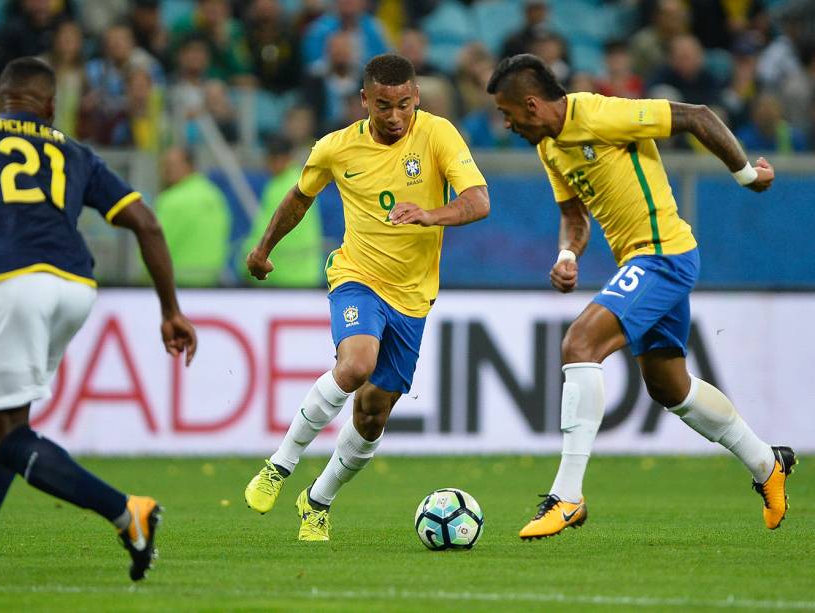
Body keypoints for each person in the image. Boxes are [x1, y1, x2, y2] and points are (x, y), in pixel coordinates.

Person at [486, 54, 794, 540]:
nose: (504, 123)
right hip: (643, 262)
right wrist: (568, 253)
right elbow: (573, 214)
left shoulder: (601, 114)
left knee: (579, 345)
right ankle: (766, 463)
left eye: (507, 113)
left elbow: (698, 117)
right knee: (670, 386)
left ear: (531, 104)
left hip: (663, 255)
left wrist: (747, 176)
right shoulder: (549, 147)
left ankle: (567, 497)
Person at [0, 57, 197, 579]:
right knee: (9, 421)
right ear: (49, 109)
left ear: (0, 101)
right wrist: (171, 311)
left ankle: (125, 510)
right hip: (75, 287)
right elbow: (147, 225)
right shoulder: (75, 151)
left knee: (1, 434)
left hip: (15, 283)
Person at [243, 53, 489, 541]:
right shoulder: (335, 149)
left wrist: (431, 215)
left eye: (403, 105)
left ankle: (317, 501)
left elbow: (479, 201)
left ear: (415, 97)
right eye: (383, 106)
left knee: (372, 413)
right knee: (355, 364)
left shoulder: (438, 134)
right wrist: (263, 249)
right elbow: (300, 197)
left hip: (414, 300)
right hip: (358, 277)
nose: (395, 116)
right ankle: (280, 465)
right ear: (364, 102)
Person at [240, 134, 324, 287]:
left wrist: (247, 264)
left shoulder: (279, 188)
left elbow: (264, 230)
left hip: (281, 276)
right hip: (308, 274)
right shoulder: (302, 180)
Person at [155, 146, 232, 286]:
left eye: (171, 165)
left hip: (176, 282)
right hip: (210, 279)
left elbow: (154, 243)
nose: (166, 170)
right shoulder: (214, 195)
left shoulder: (170, 199)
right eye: (165, 165)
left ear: (189, 166)